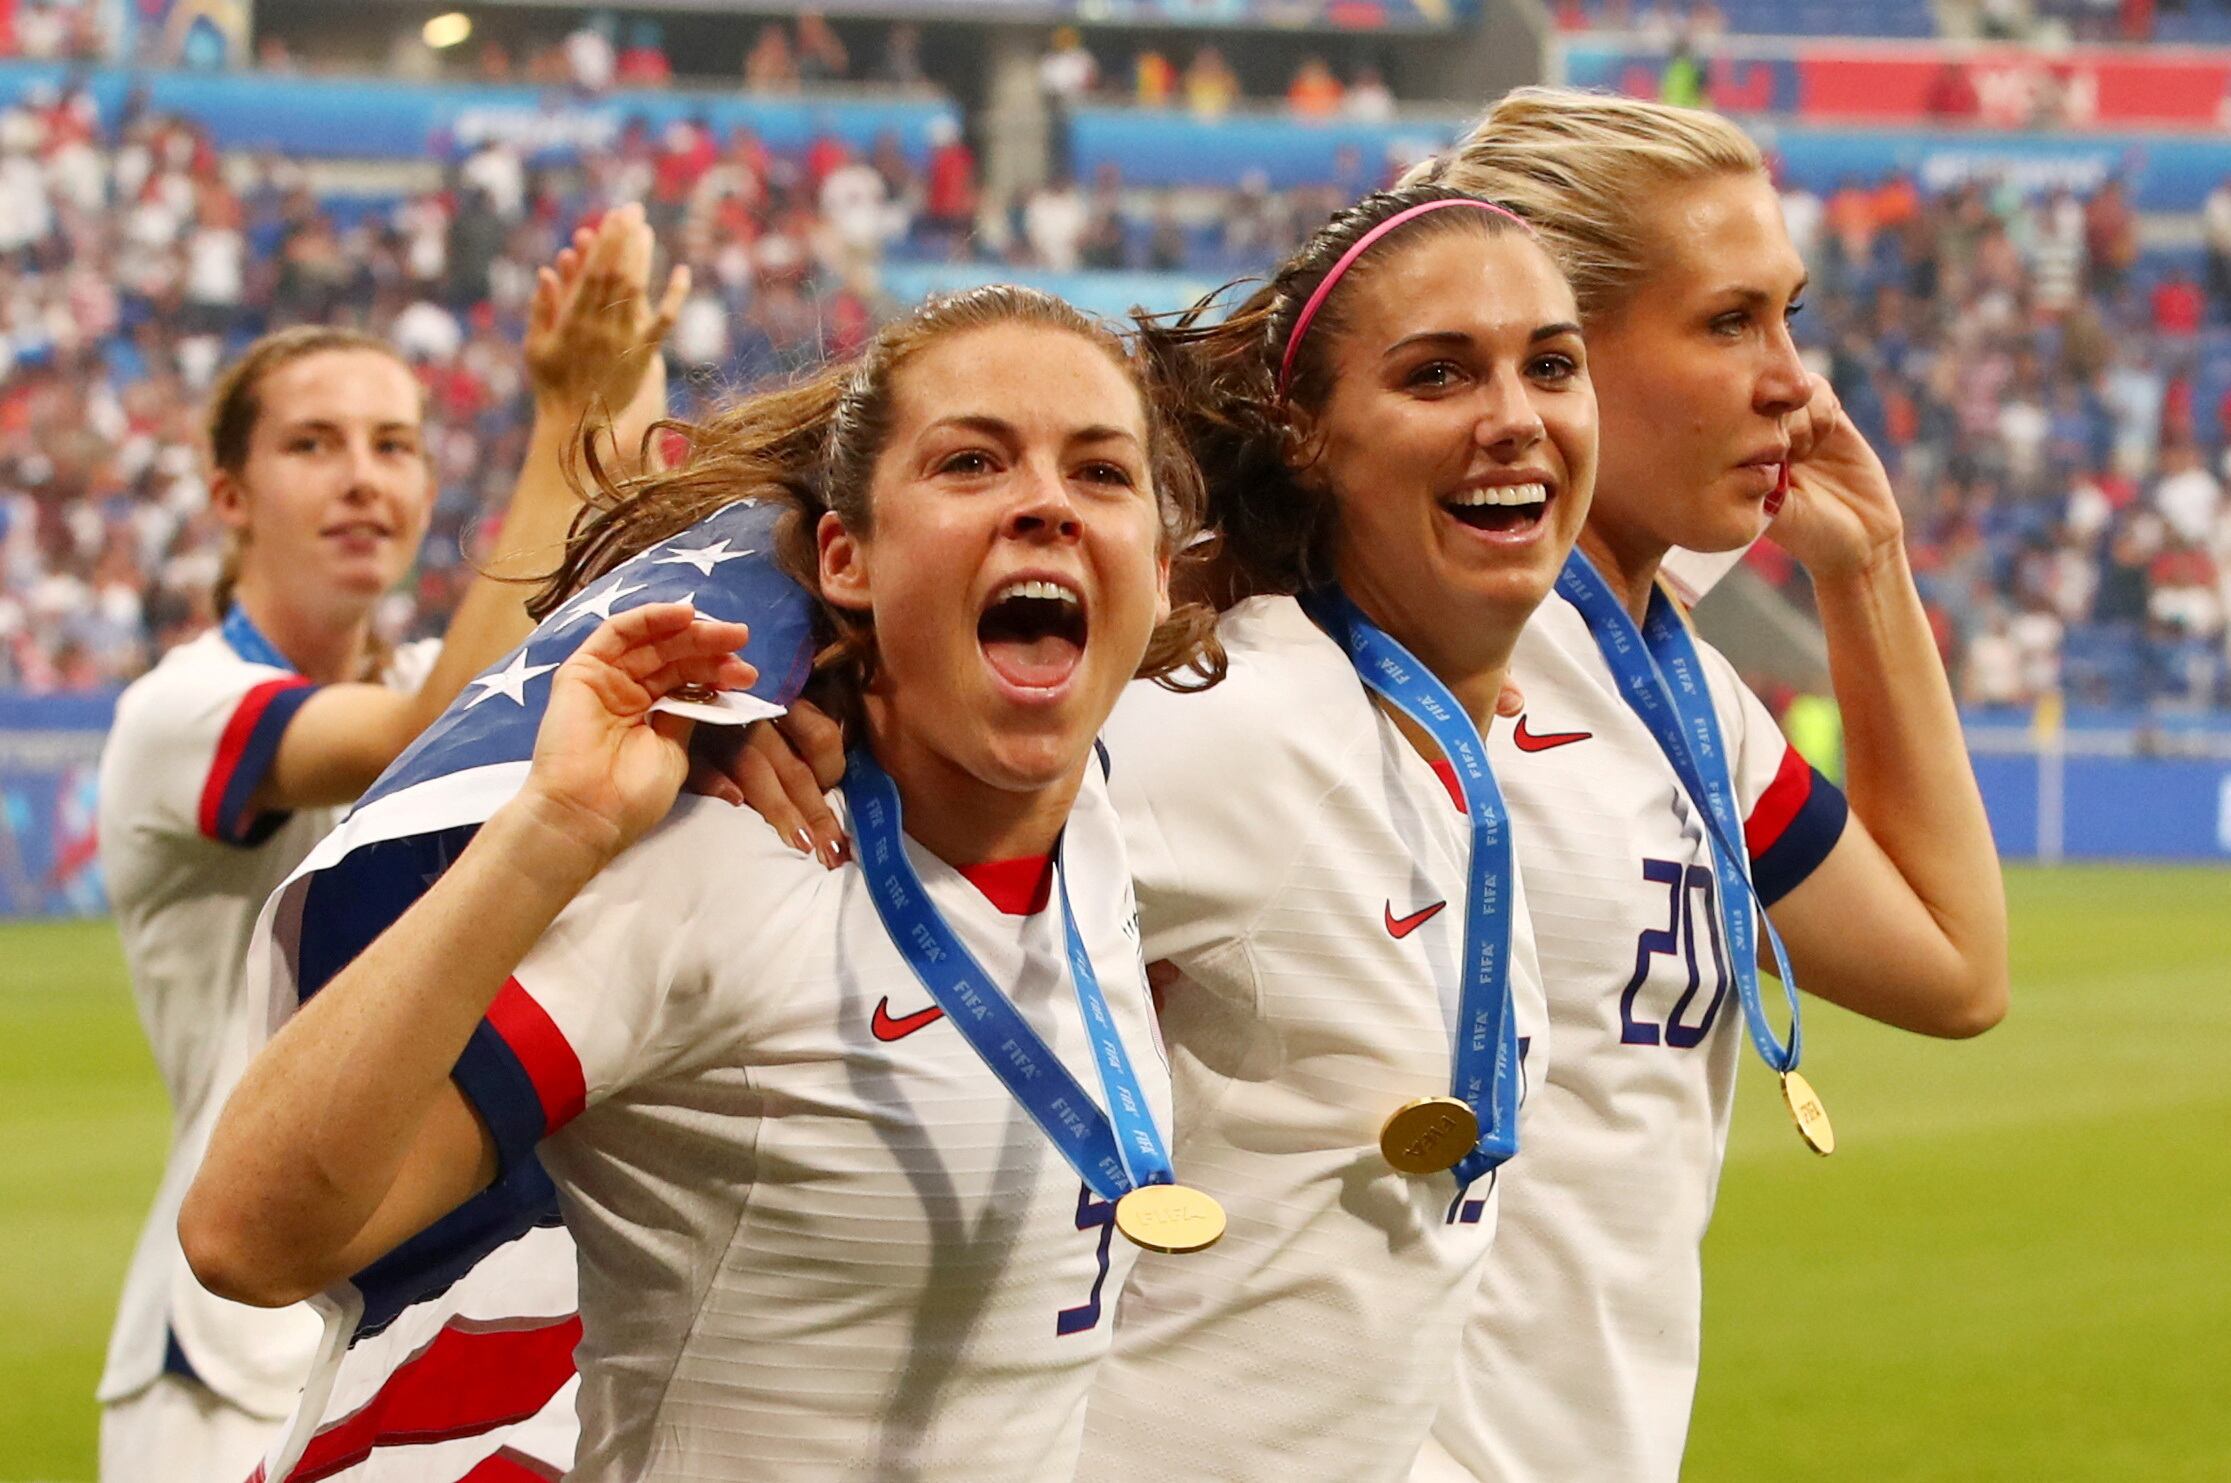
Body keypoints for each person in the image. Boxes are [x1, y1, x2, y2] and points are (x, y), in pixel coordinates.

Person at [180, 286, 1224, 1481]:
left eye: (1100, 473)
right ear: (846, 556)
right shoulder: (722, 879)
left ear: (1154, 560)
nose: (1044, 501)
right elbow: (245, 1237)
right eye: (972, 461)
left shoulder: (1096, 816)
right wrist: (554, 827)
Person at [747, 186, 1592, 1481]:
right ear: (1302, 434)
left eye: (1550, 363)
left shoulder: (1419, 733)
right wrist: (767, 706)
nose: (1514, 415)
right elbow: (907, 821)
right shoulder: (1243, 721)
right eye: (1438, 374)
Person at [1401, 88, 2009, 1481]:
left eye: (1785, 316)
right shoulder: (1384, 638)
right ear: (1552, 350)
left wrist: (1866, 573)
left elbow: (1953, 966)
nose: (1792, 377)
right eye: (1727, 321)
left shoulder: (1679, 697)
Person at [92, 205, 684, 1483]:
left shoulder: (442, 666)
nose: (364, 475)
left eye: (395, 444)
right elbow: (428, 732)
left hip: (412, 1287)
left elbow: (599, 587)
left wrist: (616, 384)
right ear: (230, 499)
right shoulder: (178, 710)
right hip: (231, 1345)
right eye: (315, 444)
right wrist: (557, 417)